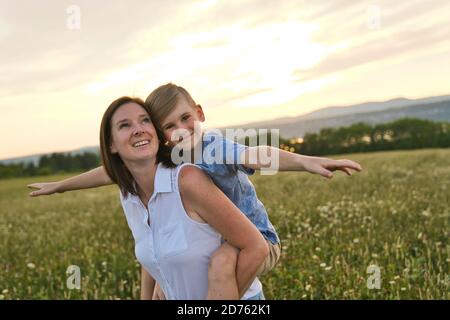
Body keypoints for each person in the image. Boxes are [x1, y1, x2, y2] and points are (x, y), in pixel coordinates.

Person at [29, 84, 363, 299]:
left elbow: (256, 154)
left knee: (219, 267)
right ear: (160, 135)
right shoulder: (165, 160)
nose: (180, 130)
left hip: (257, 238)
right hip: (216, 236)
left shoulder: (213, 147)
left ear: (200, 113)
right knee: (167, 278)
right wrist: (61, 186)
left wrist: (305, 161)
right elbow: (109, 172)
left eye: (186, 118)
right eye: (169, 127)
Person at [29, 96, 269, 300]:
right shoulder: (129, 196)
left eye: (145, 120)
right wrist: (60, 186)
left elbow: (256, 246)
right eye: (125, 125)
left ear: (156, 132)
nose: (138, 129)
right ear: (112, 145)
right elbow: (152, 256)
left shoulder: (187, 180)